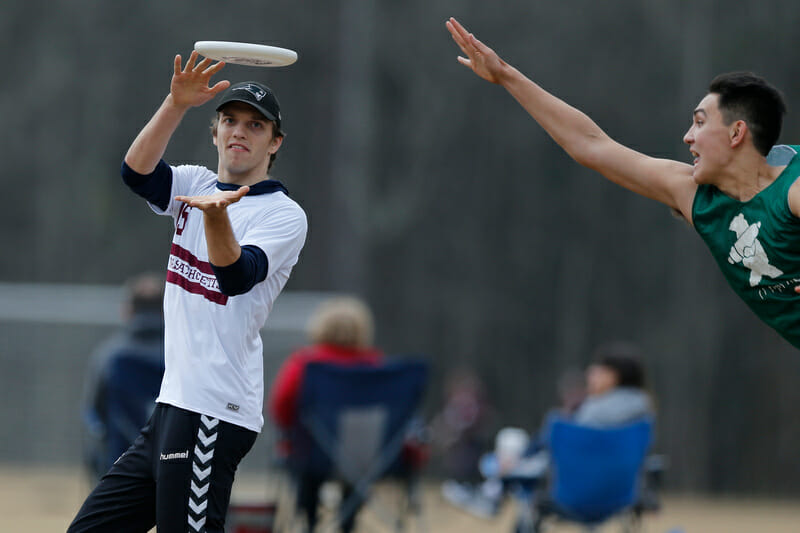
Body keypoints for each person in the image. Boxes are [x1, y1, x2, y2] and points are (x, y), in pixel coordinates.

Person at [446, 17, 800, 350]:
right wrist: (506, 75)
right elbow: (592, 146)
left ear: (737, 132)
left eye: (700, 122)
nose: (687, 137)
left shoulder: (792, 188)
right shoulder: (696, 196)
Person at [68, 51, 307, 533]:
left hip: (215, 411)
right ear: (215, 131)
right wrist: (175, 105)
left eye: (256, 126)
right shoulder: (195, 184)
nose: (240, 131)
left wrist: (216, 216)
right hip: (173, 405)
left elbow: (237, 276)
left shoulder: (283, 214)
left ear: (275, 142)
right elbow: (136, 174)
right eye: (230, 121)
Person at [442, 342, 654, 519]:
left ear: (613, 376)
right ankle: (494, 490)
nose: (590, 374)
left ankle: (493, 493)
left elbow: (559, 455)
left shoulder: (593, 413)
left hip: (572, 494)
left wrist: (521, 464)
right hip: (623, 496)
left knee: (525, 442)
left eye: (597, 370)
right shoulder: (643, 415)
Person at [268, 297, 383, 533]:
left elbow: (280, 407)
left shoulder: (304, 363)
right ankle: (348, 522)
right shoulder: (376, 367)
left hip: (310, 456)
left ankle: (309, 521)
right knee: (352, 462)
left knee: (307, 457)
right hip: (363, 459)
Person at [81, 272, 166, 485]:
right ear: (167, 309)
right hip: (175, 472)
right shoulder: (187, 356)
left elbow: (93, 413)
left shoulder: (109, 356)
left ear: (128, 310)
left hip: (118, 472)